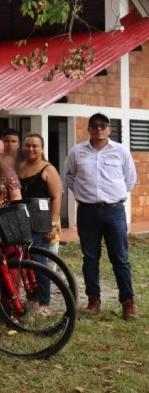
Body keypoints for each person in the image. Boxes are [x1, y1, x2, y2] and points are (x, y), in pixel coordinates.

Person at [63, 113, 137, 319]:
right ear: (88, 129)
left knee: (120, 258)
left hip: (114, 211)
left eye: (103, 125)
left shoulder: (120, 151)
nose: (98, 129)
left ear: (109, 129)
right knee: (90, 258)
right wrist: (81, 194)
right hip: (87, 211)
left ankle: (128, 302)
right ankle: (93, 300)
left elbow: (130, 180)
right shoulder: (77, 152)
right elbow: (69, 177)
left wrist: (113, 196)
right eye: (94, 126)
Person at [18, 133, 63, 316]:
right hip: (22, 222)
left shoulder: (48, 169)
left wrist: (52, 224)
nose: (31, 149)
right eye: (27, 145)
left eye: (35, 146)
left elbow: (57, 196)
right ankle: (32, 300)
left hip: (41, 222)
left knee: (40, 264)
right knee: (26, 264)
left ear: (42, 148)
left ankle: (44, 302)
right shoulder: (19, 168)